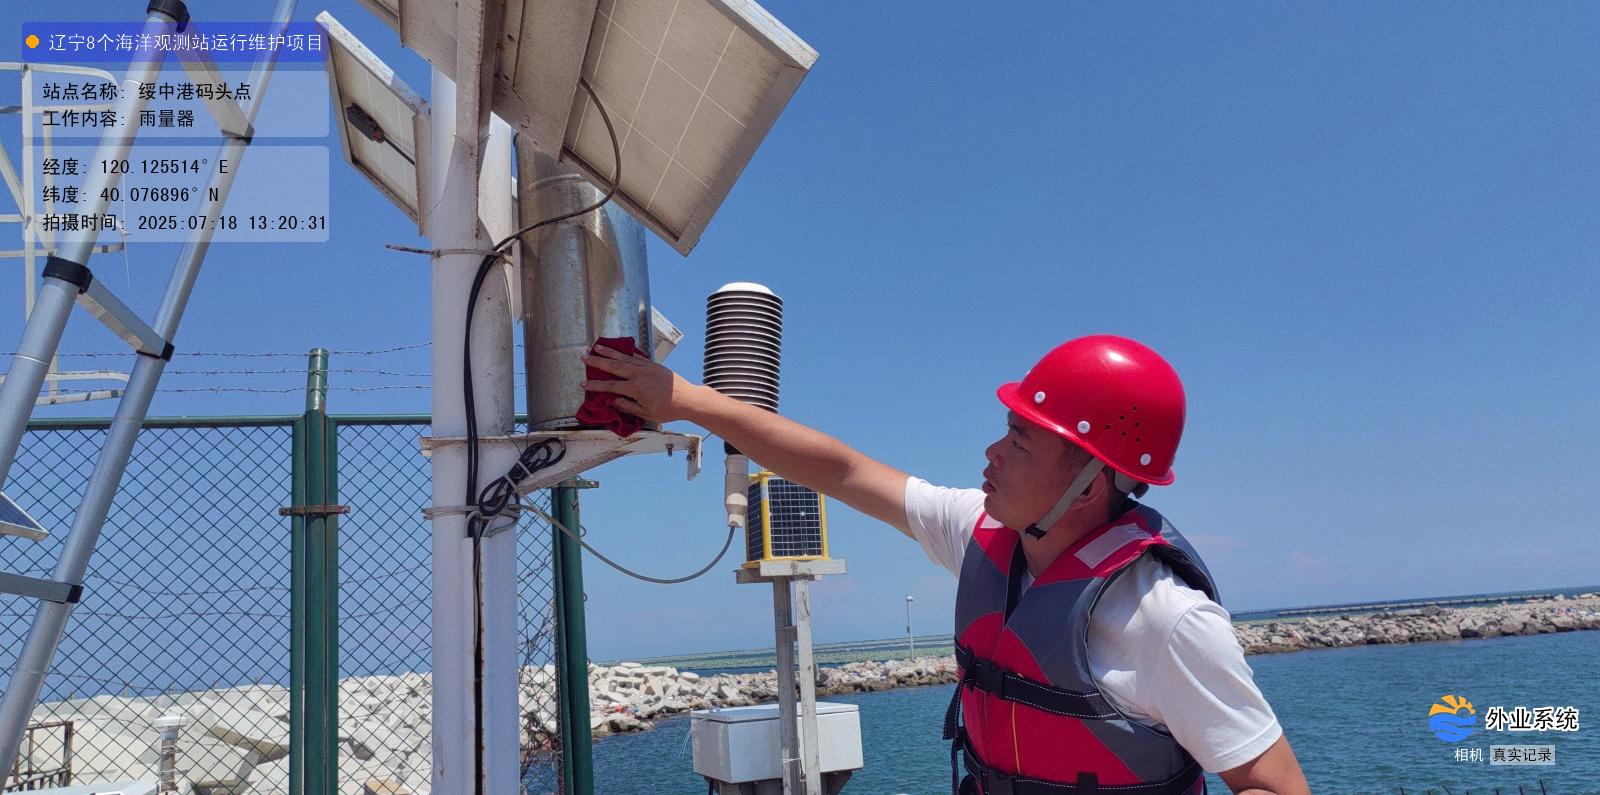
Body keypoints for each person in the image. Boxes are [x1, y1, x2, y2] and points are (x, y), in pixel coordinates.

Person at [581, 334, 1310, 794]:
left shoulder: (1165, 619)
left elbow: (1275, 784)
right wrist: (686, 401)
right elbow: (843, 469)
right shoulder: (979, 531)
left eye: (1021, 439)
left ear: (1090, 480)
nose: (993, 452)